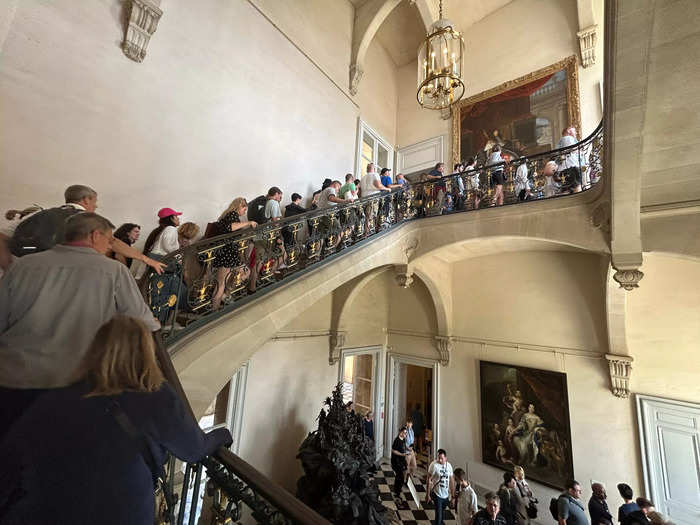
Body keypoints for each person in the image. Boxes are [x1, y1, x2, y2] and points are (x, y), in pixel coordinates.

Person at [0, 315, 232, 525]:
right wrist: (222, 435)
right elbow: (193, 449)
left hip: (48, 511)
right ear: (147, 353)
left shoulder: (57, 397)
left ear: (96, 352)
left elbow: (11, 458)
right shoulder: (155, 396)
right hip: (124, 512)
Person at [0, 213, 160, 437]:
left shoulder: (23, 266)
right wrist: (155, 322)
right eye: (109, 239)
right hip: (73, 385)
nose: (109, 245)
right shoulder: (113, 271)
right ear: (95, 236)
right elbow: (141, 321)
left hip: (14, 379)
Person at [9, 185, 164, 274]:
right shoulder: (89, 221)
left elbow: (4, 236)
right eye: (94, 201)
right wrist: (147, 259)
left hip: (25, 273)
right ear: (86, 200)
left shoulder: (37, 214)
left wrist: (8, 266)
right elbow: (113, 242)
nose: (95, 206)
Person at [211, 198, 257, 309]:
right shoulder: (231, 214)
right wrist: (248, 223)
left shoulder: (233, 216)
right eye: (244, 208)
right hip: (226, 255)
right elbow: (230, 227)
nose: (245, 211)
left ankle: (226, 295)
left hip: (232, 254)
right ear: (237, 206)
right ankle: (214, 310)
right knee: (220, 283)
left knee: (245, 272)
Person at [426, 448, 454, 525]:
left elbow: (451, 481)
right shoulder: (433, 465)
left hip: (446, 495)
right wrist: (427, 494)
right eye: (438, 458)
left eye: (441, 458)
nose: (440, 460)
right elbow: (428, 480)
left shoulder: (449, 466)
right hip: (437, 494)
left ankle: (440, 522)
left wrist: (453, 496)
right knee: (438, 515)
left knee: (442, 511)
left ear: (445, 458)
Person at [557, 127, 583, 193]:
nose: (576, 133)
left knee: (566, 189)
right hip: (572, 166)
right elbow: (573, 148)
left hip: (564, 167)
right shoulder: (568, 138)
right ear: (568, 131)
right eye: (574, 131)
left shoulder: (561, 141)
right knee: (577, 187)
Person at [391, 427, 410, 499]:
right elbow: (393, 451)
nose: (406, 434)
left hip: (402, 460)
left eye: (406, 433)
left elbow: (404, 446)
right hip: (396, 461)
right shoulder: (397, 440)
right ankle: (397, 492)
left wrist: (408, 449)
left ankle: (398, 489)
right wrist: (402, 454)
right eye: (405, 433)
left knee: (402, 475)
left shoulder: (404, 439)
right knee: (399, 476)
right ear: (401, 433)